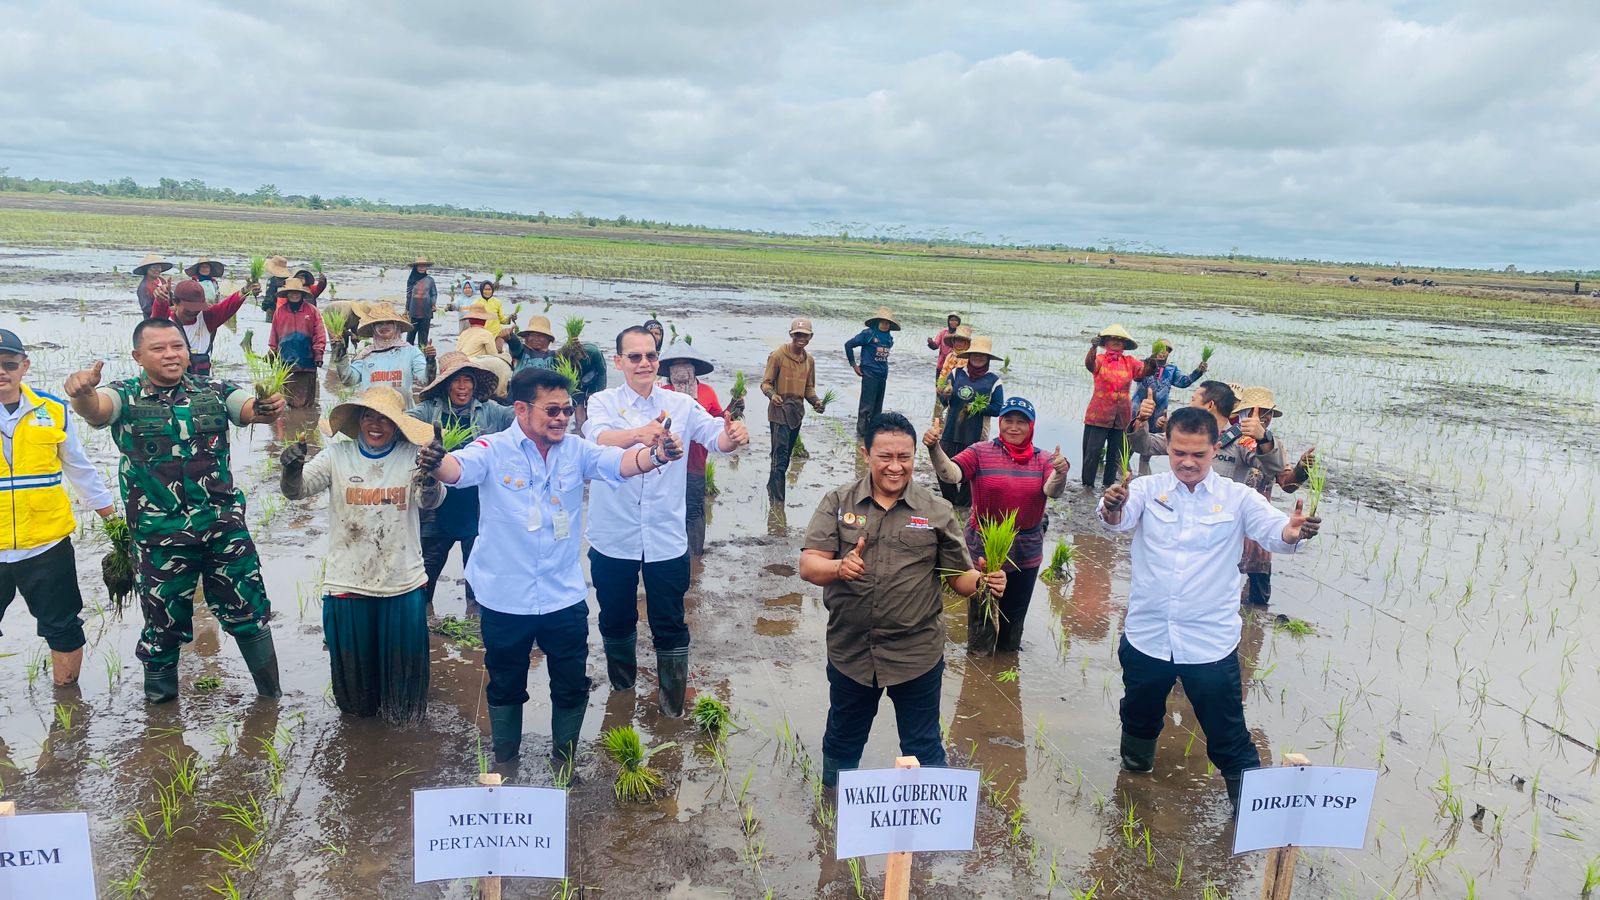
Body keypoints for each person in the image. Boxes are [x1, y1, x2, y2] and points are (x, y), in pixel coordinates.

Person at [418, 367, 673, 768]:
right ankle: (505, 762)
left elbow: (619, 462)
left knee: (571, 685)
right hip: (505, 597)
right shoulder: (493, 449)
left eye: (567, 410)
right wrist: (436, 461)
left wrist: (656, 455)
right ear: (521, 409)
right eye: (552, 410)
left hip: (563, 594)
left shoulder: (576, 450)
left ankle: (564, 764)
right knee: (505, 685)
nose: (561, 418)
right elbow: (458, 470)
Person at [1097, 406, 1320, 814]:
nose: (1187, 462)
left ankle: (1252, 816)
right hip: (1148, 637)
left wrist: (1292, 530)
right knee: (1138, 715)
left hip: (1208, 645)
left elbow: (1277, 531)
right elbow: (1116, 519)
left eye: (1198, 454)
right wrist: (1112, 504)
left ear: (1216, 449)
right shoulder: (1147, 490)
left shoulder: (1238, 498)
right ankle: (1133, 787)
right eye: (1179, 451)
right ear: (1169, 447)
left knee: (1228, 735)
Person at [64, 319, 285, 703]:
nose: (171, 354)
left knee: (249, 614)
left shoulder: (212, 390)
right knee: (163, 629)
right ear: (138, 356)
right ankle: (162, 721)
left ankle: (272, 700)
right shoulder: (126, 395)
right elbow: (98, 411)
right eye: (159, 348)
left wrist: (267, 406)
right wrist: (83, 394)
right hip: (159, 538)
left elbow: (247, 409)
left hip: (223, 530)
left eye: (177, 346)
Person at [799, 412, 1005, 786]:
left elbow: (958, 576)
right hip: (851, 652)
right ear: (866, 454)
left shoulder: (935, 511)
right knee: (843, 739)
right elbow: (809, 564)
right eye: (885, 457)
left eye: (905, 457)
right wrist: (839, 568)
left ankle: (931, 823)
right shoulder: (838, 501)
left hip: (916, 655)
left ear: (914, 456)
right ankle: (833, 813)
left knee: (924, 744)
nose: (895, 467)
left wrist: (984, 583)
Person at [586, 326, 750, 717]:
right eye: (635, 357)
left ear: (657, 361)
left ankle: (672, 706)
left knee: (670, 620)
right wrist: (642, 434)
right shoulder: (601, 402)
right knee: (616, 616)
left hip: (665, 535)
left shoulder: (680, 404)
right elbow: (596, 439)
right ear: (619, 361)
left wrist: (733, 434)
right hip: (614, 534)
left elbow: (715, 439)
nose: (644, 363)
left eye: (650, 356)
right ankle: (622, 692)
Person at [280, 387, 442, 722]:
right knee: (356, 696)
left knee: (405, 695)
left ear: (398, 425)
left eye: (385, 419)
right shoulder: (338, 456)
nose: (376, 425)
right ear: (359, 420)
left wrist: (430, 476)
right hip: (348, 581)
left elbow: (431, 503)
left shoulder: (414, 455)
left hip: (402, 583)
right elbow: (297, 492)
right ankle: (360, 741)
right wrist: (291, 469)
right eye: (369, 416)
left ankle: (401, 742)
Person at [0, 329, 119, 687]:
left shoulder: (52, 411)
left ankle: (66, 701)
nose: (1, 373)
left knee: (63, 626)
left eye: (8, 365)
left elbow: (81, 470)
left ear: (24, 366)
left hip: (47, 544)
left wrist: (113, 524)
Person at [925, 397, 1067, 653]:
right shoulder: (981, 451)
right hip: (984, 546)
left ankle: (1006, 661)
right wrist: (935, 448)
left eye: (1021, 422)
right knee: (982, 613)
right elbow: (952, 474)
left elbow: (1052, 491)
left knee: (1014, 618)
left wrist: (1060, 472)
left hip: (1026, 548)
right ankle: (979, 666)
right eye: (1008, 421)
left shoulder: (1044, 460)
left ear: (1031, 426)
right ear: (1000, 423)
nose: (1014, 427)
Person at [406, 353, 513, 617]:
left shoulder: (490, 412)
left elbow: (520, 419)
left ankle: (475, 626)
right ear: (446, 384)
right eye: (457, 380)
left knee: (476, 571)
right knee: (425, 575)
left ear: (475, 385)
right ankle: (424, 623)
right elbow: (401, 423)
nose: (463, 387)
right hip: (436, 504)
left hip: (475, 504)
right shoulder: (429, 411)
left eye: (468, 380)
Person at [1233, 387, 1314, 607]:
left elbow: (1287, 484)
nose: (1264, 418)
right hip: (1229, 518)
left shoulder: (1274, 446)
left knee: (1259, 587)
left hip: (1260, 521)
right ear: (1243, 414)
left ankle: (1255, 629)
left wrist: (1301, 469)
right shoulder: (1226, 441)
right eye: (1257, 412)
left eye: (1267, 413)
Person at [1129, 381, 1282, 486]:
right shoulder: (1186, 432)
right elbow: (1144, 446)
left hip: (1220, 517)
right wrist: (1141, 420)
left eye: (1193, 399)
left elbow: (1273, 470)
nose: (1189, 405)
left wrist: (1264, 438)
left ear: (1209, 405)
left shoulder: (1242, 440)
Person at [661, 345, 724, 557]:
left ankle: (695, 556)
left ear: (694, 369)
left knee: (695, 509)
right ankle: (670, 553)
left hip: (696, 462)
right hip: (667, 465)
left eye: (685, 366)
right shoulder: (663, 394)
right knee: (668, 509)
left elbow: (718, 421)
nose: (681, 371)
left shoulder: (707, 392)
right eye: (675, 367)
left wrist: (733, 410)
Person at [934, 335, 1005, 508]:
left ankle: (964, 505)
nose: (978, 358)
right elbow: (944, 402)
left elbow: (997, 408)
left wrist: (975, 407)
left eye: (982, 355)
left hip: (976, 433)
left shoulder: (994, 381)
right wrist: (944, 395)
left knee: (971, 471)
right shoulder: (956, 373)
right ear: (969, 356)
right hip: (952, 429)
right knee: (942, 466)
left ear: (987, 359)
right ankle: (951, 501)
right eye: (975, 355)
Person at [759, 317, 825, 502]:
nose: (801, 338)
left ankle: (772, 486)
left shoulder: (809, 360)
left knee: (786, 457)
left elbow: (808, 388)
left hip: (796, 413)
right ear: (791, 335)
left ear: (810, 337)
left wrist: (816, 402)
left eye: (804, 335)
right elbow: (765, 383)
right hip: (779, 412)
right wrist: (772, 395)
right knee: (779, 459)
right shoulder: (778, 355)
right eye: (797, 334)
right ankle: (778, 504)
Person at [1081, 324, 1152, 489]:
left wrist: (1151, 362)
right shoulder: (1100, 360)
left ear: (1125, 345)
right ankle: (1087, 486)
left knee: (1115, 454)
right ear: (1105, 342)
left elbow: (1142, 374)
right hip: (1098, 415)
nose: (1116, 342)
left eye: (1120, 340)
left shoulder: (1130, 362)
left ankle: (1108, 485)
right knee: (1092, 452)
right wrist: (1092, 347)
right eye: (1113, 339)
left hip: (1121, 416)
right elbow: (1089, 365)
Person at [150, 278, 257, 378]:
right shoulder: (166, 321)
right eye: (188, 308)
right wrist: (160, 299)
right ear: (175, 302)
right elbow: (157, 315)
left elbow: (228, 306)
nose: (192, 312)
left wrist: (245, 291)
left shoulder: (207, 318)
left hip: (201, 387)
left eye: (196, 308)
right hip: (168, 385)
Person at [1131, 340, 1208, 474]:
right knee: (1132, 438)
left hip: (1159, 412)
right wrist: (1149, 365)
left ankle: (1143, 474)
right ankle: (1122, 470)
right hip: (1140, 409)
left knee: (1149, 444)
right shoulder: (1143, 364)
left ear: (1169, 353)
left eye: (1166, 350)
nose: (1163, 352)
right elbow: (1136, 377)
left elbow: (1183, 382)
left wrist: (1198, 371)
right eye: (1160, 349)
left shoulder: (1171, 370)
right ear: (1154, 349)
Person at [335, 302, 433, 400]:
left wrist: (430, 360)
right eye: (379, 323)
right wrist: (341, 355)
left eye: (389, 322)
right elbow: (349, 380)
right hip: (373, 411)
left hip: (401, 411)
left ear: (396, 325)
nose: (384, 326)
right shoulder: (366, 354)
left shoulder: (410, 352)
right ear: (373, 327)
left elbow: (426, 380)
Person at [268, 277, 326, 409]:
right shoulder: (280, 312)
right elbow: (274, 335)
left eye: (297, 292)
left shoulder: (311, 311)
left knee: (304, 401)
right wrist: (272, 352)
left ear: (302, 294)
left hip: (307, 360)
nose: (294, 295)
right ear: (287, 294)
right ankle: (293, 425)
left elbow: (319, 333)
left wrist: (318, 353)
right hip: (286, 361)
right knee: (287, 398)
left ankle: (303, 426)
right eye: (291, 292)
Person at [844, 306, 898, 440]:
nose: (885, 325)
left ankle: (872, 434)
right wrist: (854, 365)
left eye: (887, 323)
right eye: (883, 322)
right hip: (869, 374)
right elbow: (848, 345)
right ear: (877, 322)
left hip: (882, 375)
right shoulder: (868, 334)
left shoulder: (888, 338)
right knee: (866, 407)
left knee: (877, 408)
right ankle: (861, 436)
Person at [454, 302, 514, 397]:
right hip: (475, 366)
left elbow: (458, 351)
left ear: (469, 321)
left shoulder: (463, 333)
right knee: (502, 363)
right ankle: (501, 394)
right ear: (485, 321)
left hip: (460, 364)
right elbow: (493, 354)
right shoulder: (486, 334)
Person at [405, 257, 438, 346]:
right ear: (416, 267)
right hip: (413, 311)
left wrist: (433, 304)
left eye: (424, 266)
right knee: (410, 335)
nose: (421, 267)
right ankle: (407, 354)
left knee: (423, 337)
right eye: (419, 266)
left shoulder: (430, 280)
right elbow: (408, 295)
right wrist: (407, 310)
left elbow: (434, 294)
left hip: (426, 311)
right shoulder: (411, 280)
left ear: (426, 267)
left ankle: (423, 355)